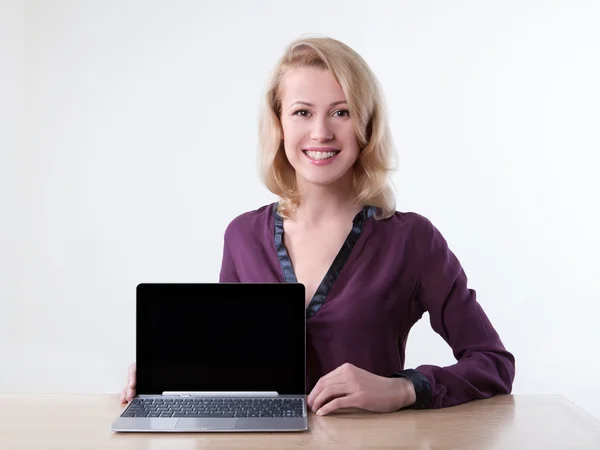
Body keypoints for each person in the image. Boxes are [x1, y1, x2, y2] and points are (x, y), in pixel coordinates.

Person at [121, 35, 515, 416]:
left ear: (366, 126)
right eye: (302, 112)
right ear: (279, 123)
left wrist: (402, 388)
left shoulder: (411, 240)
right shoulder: (242, 236)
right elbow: (232, 363)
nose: (321, 132)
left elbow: (493, 363)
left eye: (341, 112)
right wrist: (171, 373)